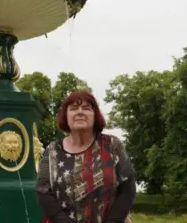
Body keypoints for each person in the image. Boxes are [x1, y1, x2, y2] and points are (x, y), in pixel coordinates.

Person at [36, 91, 136, 223]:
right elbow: (42, 191)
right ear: (66, 116)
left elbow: (128, 188)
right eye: (73, 108)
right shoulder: (53, 149)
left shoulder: (112, 145)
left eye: (86, 108)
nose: (80, 112)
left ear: (95, 115)